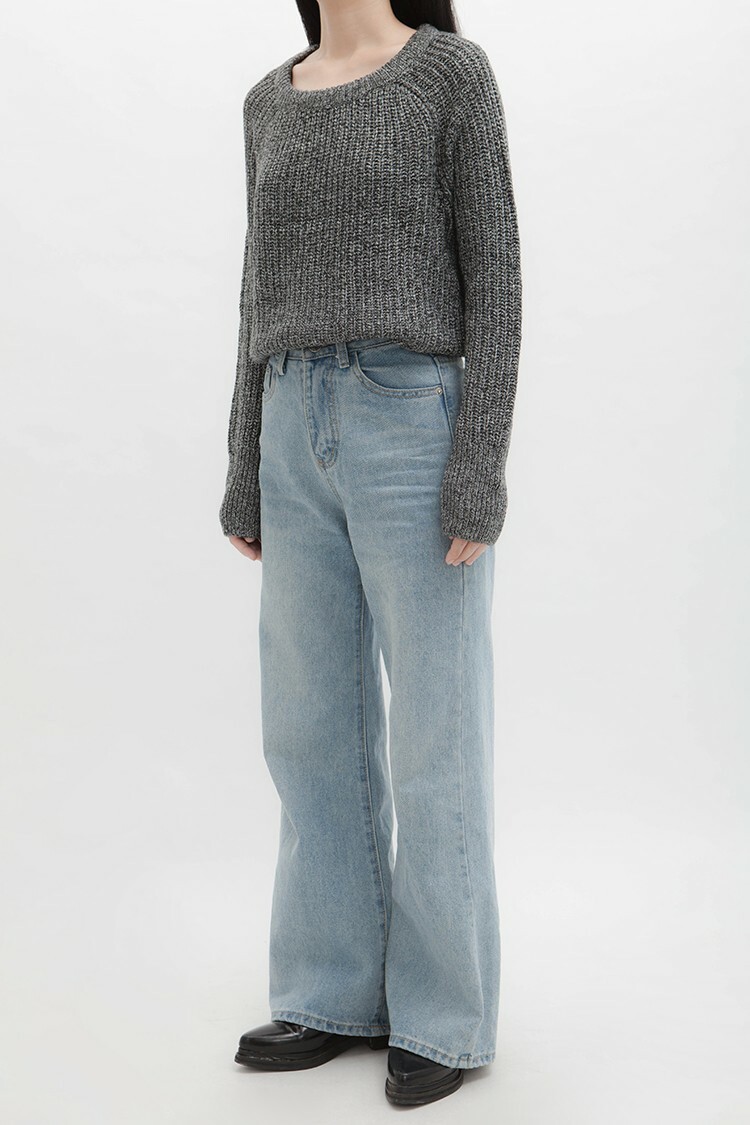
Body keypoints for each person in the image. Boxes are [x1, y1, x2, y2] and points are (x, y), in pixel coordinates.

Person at [219, 0, 522, 1108]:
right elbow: (255, 294)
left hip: (411, 419)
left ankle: (445, 1014)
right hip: (291, 418)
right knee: (308, 725)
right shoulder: (267, 101)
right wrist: (245, 462)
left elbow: (496, 275)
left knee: (437, 729)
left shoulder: (450, 75)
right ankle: (330, 990)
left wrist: (479, 463)